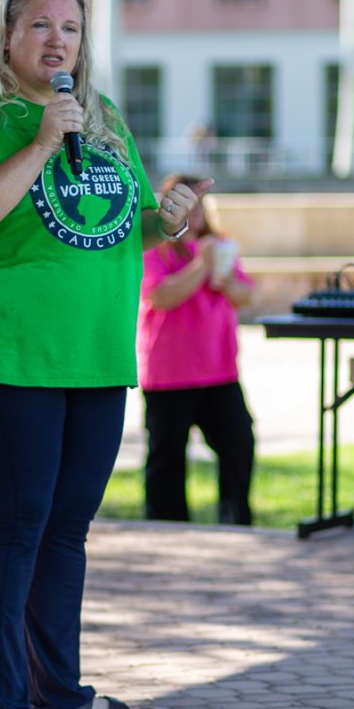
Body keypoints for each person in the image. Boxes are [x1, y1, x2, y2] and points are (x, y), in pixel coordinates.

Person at [0, 0, 211, 709]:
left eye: (72, 29)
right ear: (8, 37)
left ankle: (58, 694)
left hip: (92, 354)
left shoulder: (104, 116)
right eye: (41, 25)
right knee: (13, 526)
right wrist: (44, 141)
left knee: (65, 531)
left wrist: (170, 221)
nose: (58, 40)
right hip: (0, 354)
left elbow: (125, 226)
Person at [136, 176, 255, 526]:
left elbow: (245, 295)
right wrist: (201, 266)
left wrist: (226, 280)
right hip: (169, 372)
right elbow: (161, 296)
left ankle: (235, 519)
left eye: (200, 204)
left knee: (238, 445)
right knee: (167, 457)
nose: (196, 211)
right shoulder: (153, 248)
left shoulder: (220, 246)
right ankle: (166, 527)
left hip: (219, 370)